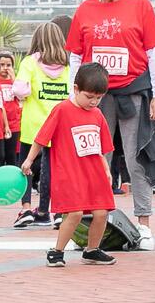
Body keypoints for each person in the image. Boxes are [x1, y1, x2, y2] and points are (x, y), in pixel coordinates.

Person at [66, 0, 155, 249]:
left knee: (138, 157)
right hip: (96, 96)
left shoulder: (140, 4)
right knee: (94, 158)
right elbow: (74, 54)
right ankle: (84, 225)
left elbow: (153, 53)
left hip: (133, 90)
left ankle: (144, 223)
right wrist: (74, 94)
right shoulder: (84, 10)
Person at [18, 63, 118, 268]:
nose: (94, 102)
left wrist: (106, 170)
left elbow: (99, 147)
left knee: (101, 212)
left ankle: (92, 250)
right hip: (70, 173)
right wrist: (29, 160)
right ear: (75, 89)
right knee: (75, 212)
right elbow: (41, 137)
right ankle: (57, 251)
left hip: (95, 173)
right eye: (89, 97)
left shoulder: (97, 115)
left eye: (98, 98)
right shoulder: (62, 110)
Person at [9, 23, 72, 228]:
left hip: (33, 124)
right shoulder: (69, 62)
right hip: (60, 125)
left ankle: (27, 208)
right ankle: (52, 211)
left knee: (26, 166)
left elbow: (20, 89)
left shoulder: (30, 62)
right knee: (53, 169)